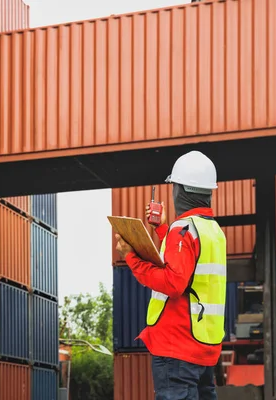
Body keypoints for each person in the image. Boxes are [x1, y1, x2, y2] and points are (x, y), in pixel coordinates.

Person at [115, 151, 227, 400]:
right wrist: (162, 228)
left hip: (177, 347)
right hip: (203, 347)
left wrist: (131, 257)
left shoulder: (183, 229)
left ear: (181, 190)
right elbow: (189, 263)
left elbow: (174, 282)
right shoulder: (213, 231)